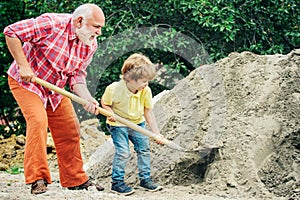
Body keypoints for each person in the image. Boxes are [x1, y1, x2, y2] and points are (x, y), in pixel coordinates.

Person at [4, 3, 105, 194]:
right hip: (27, 82)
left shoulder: (90, 44)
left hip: (54, 90)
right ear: (79, 21)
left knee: (70, 129)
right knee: (38, 120)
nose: (99, 32)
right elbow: (11, 32)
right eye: (96, 26)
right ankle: (38, 179)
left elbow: (77, 76)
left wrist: (87, 99)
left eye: (100, 28)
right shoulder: (51, 24)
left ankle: (75, 179)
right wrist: (23, 65)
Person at [101, 53, 164, 195]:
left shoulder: (145, 91)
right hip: (118, 124)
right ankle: (117, 182)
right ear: (130, 79)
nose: (146, 84)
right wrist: (110, 113)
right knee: (123, 152)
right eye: (143, 81)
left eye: (147, 81)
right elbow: (105, 103)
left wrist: (156, 132)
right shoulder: (114, 89)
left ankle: (145, 179)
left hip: (137, 123)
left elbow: (148, 112)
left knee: (144, 149)